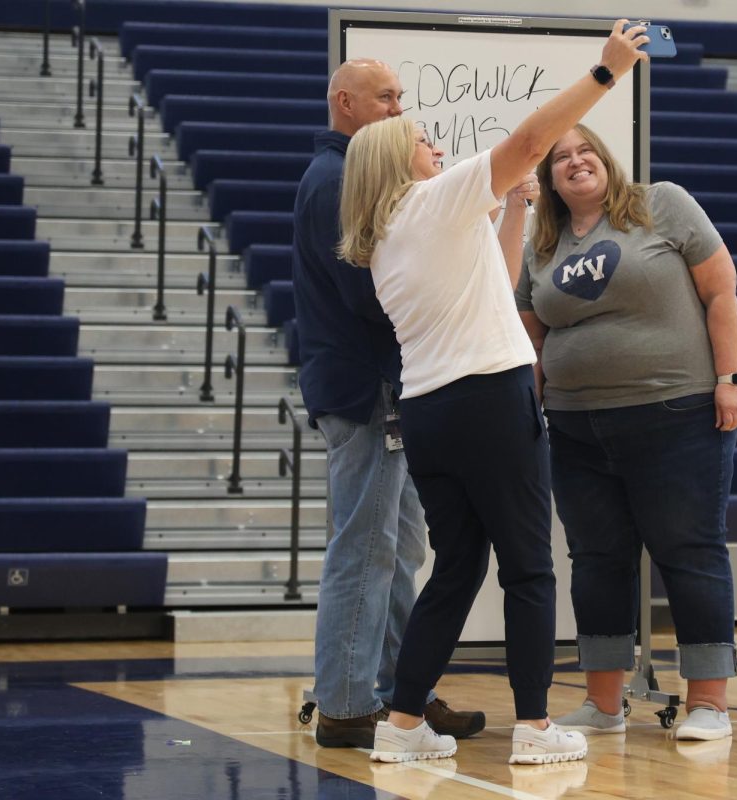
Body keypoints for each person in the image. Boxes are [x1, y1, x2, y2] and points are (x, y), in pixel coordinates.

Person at [335, 20, 650, 764]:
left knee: (458, 568)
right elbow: (532, 141)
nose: (435, 147)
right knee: (530, 565)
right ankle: (537, 729)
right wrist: (605, 74)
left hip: (431, 412)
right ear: (399, 161)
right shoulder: (434, 200)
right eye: (421, 140)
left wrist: (512, 210)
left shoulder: (389, 236)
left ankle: (404, 723)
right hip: (487, 397)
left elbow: (499, 283)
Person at [513, 123, 737, 742]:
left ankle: (710, 705)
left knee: (689, 551)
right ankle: (604, 705)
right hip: (575, 427)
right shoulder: (542, 244)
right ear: (549, 179)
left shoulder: (660, 204)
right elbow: (532, 336)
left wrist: (731, 378)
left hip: (677, 414)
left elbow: (721, 291)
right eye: (560, 158)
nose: (574, 161)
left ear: (606, 160)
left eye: (585, 149)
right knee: (595, 561)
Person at [291, 58, 484, 749]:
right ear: (344, 103)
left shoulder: (346, 176)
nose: (398, 108)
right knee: (369, 546)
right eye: (385, 97)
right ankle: (346, 704)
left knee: (398, 546)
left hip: (379, 387)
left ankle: (406, 692)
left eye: (402, 97)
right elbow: (367, 297)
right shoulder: (339, 178)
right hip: (365, 389)